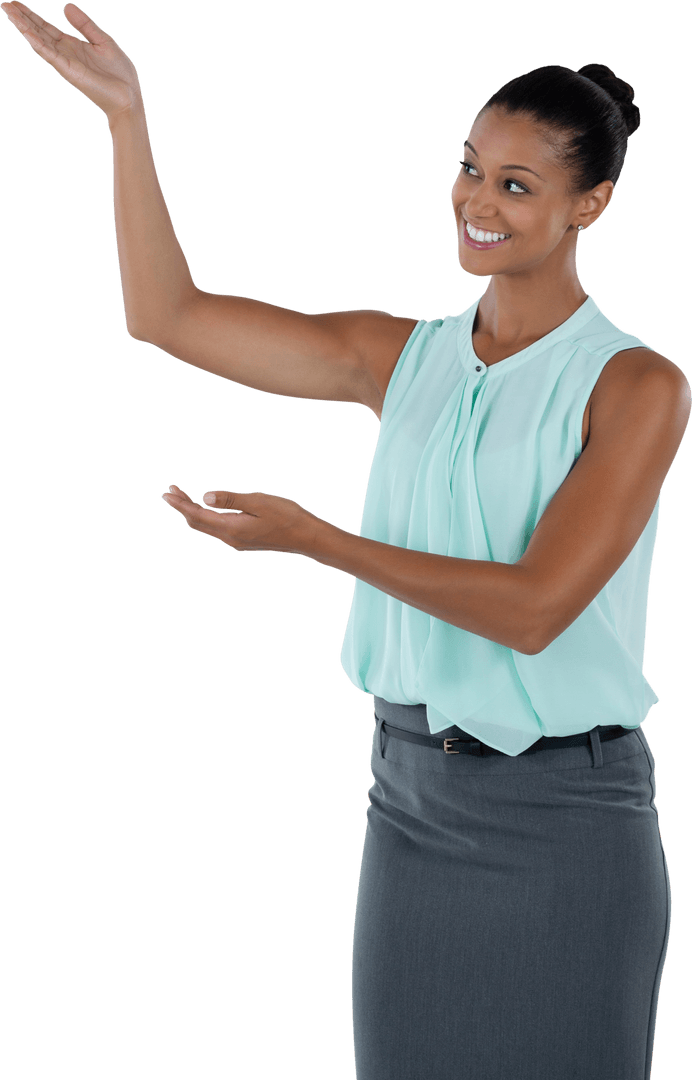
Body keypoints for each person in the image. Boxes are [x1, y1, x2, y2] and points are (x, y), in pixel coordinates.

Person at [4, 5, 688, 1078]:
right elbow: (167, 314)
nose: (474, 201)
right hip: (410, 803)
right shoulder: (396, 356)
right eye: (468, 169)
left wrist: (320, 542)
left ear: (586, 206)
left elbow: (536, 607)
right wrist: (126, 124)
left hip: (566, 818)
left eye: (516, 185)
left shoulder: (634, 384)